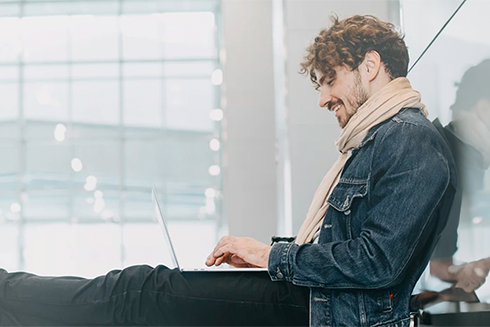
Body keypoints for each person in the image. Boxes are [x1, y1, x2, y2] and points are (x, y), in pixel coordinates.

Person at [0, 15, 456, 326]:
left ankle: (6, 295)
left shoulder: (408, 138)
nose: (323, 99)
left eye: (330, 80)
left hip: (322, 312)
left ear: (370, 66)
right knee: (143, 290)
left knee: (140, 291)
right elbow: (352, 249)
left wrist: (267, 256)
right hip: (316, 303)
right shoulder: (381, 137)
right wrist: (268, 253)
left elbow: (377, 263)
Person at [430, 59, 490, 297]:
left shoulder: (450, 155)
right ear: (484, 106)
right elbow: (437, 268)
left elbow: (439, 265)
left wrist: (468, 270)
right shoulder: (445, 162)